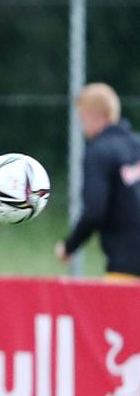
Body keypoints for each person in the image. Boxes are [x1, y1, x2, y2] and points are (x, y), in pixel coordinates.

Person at [55, 82, 140, 281]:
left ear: (90, 115)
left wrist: (69, 246)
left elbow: (94, 211)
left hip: (126, 266)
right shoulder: (137, 145)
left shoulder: (99, 152)